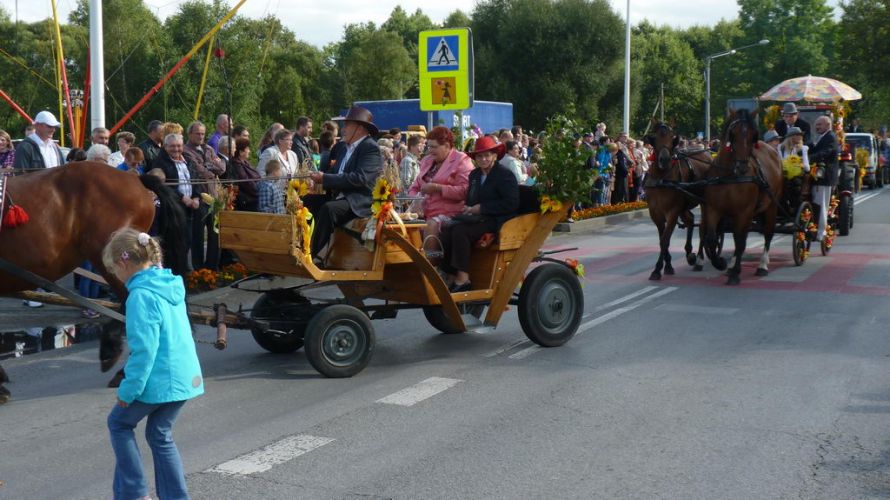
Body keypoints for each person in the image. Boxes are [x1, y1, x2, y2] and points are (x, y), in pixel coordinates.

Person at [101, 228, 203, 500]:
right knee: (160, 434)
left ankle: (134, 493)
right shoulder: (168, 284)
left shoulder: (140, 296)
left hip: (160, 379)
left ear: (124, 263)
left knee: (118, 424)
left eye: (115, 270)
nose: (117, 277)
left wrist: (128, 391)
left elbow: (144, 351)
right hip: (184, 376)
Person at [439, 136, 519, 292]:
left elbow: (511, 203)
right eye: (479, 156)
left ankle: (463, 279)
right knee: (447, 228)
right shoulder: (474, 175)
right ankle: (450, 274)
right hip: (477, 218)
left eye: (487, 155)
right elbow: (470, 199)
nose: (483, 159)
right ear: (475, 158)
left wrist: (481, 208)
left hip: (496, 220)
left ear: (495, 155)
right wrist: (468, 209)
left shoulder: (505, 175)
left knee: (460, 231)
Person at [307, 106, 382, 263]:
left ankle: (312, 256)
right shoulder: (342, 147)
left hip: (359, 200)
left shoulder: (370, 148)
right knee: (307, 200)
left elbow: (360, 178)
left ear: (359, 128)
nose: (343, 129)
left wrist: (325, 178)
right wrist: (317, 181)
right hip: (340, 196)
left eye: (347, 125)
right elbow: (334, 172)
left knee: (329, 209)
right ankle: (301, 246)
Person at [407, 125, 474, 238]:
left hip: (451, 213)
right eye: (428, 147)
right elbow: (414, 188)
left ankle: (430, 256)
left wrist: (438, 188)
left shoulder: (462, 160)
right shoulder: (426, 160)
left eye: (434, 147)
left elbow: (465, 191)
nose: (430, 151)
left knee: (431, 225)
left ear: (447, 146)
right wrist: (416, 200)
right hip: (423, 213)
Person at [156, 133, 204, 269]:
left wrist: (196, 197)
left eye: (178, 146)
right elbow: (164, 186)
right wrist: (182, 198)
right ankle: (174, 269)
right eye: (172, 146)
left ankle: (183, 266)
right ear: (165, 147)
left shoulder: (187, 160)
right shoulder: (161, 163)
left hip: (189, 207)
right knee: (174, 242)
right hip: (173, 208)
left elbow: (195, 180)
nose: (176, 149)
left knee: (187, 239)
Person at [183, 121, 225, 270]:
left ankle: (212, 267)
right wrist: (211, 166)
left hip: (214, 197)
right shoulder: (185, 150)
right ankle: (199, 270)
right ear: (190, 134)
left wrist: (211, 166)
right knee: (198, 236)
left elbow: (221, 168)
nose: (201, 136)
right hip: (198, 196)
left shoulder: (208, 148)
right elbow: (198, 170)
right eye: (197, 133)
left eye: (202, 133)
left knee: (215, 234)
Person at [808, 115, 840, 241]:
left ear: (828, 125)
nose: (817, 127)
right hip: (818, 176)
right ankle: (815, 229)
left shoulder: (831, 137)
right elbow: (816, 150)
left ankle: (821, 233)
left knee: (822, 205)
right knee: (816, 204)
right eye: (816, 125)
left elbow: (826, 152)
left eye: (820, 124)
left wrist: (809, 158)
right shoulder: (821, 137)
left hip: (825, 177)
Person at [231, 137, 260, 211]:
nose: (249, 151)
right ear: (241, 152)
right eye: (247, 149)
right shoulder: (237, 165)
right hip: (247, 202)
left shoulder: (245, 162)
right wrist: (259, 191)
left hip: (254, 197)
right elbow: (247, 182)